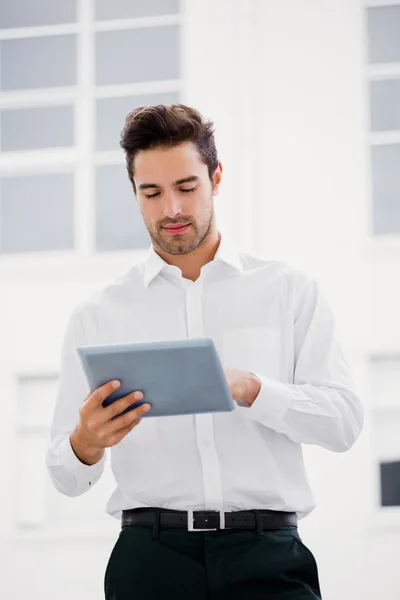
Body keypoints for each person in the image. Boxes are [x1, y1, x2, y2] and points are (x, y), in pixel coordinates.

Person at [46, 104, 364, 600]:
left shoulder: (289, 290)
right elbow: (64, 476)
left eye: (186, 187)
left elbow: (343, 423)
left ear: (216, 178)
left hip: (270, 558)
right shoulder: (98, 314)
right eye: (151, 192)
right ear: (134, 194)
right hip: (150, 563)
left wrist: (251, 388)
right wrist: (86, 441)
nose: (171, 208)